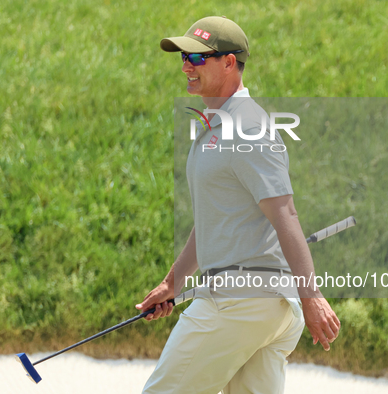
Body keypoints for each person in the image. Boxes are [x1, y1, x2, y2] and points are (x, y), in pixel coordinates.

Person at [136, 16, 340, 394]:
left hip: (240, 302)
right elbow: (216, 217)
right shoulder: (217, 126)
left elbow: (286, 215)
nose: (186, 66)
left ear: (229, 63)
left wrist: (312, 295)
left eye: (197, 58)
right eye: (184, 57)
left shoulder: (248, 127)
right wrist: (173, 282)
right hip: (262, 305)